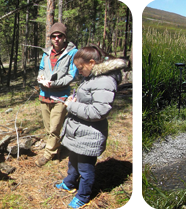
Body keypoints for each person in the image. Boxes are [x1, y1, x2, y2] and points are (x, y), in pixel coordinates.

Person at [54, 46, 127, 208]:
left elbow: (98, 111)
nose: (79, 72)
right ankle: (69, 183)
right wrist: (74, 99)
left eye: (80, 68)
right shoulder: (92, 76)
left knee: (86, 169)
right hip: (78, 130)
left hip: (89, 134)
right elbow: (88, 99)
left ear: (92, 63)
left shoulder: (105, 80)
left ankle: (83, 196)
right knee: (73, 161)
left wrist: (71, 106)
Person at [36, 22, 80, 166]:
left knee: (55, 128)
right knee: (48, 128)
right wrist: (41, 77)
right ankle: (56, 147)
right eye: (53, 36)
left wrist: (54, 84)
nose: (56, 39)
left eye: (59, 36)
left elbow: (71, 75)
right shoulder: (46, 53)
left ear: (64, 37)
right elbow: (42, 68)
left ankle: (48, 154)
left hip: (61, 96)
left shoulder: (72, 53)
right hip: (44, 94)